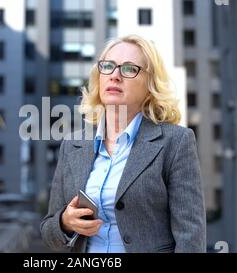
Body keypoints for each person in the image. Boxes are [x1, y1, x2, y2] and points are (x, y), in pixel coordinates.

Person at [40, 34, 206, 253]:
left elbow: (191, 237)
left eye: (128, 69)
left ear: (150, 83)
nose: (115, 76)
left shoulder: (176, 142)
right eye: (108, 66)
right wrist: (65, 222)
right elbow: (48, 231)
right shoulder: (72, 145)